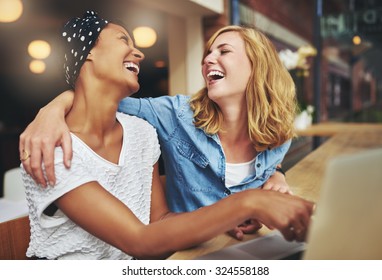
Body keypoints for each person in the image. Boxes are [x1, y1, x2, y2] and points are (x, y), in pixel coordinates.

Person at [20, 11, 313, 260]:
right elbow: (139, 240)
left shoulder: (141, 134)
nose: (139, 52)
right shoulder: (53, 149)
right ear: (88, 55)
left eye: (223, 51)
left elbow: (161, 221)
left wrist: (269, 181)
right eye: (124, 40)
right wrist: (52, 109)